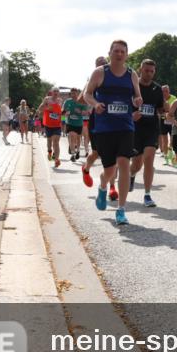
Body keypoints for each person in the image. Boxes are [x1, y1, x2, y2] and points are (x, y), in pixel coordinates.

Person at [82, 40, 143, 225]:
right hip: (104, 127)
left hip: (125, 125)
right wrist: (95, 104)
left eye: (122, 51)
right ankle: (102, 187)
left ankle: (121, 210)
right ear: (110, 53)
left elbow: (137, 95)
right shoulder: (100, 73)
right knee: (109, 170)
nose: (119, 54)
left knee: (124, 163)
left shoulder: (132, 74)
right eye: (116, 51)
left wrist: (138, 101)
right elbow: (87, 94)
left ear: (127, 54)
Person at [129, 59, 165, 208]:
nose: (149, 74)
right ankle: (131, 175)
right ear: (140, 70)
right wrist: (131, 116)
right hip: (135, 130)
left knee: (149, 159)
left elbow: (160, 109)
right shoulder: (132, 87)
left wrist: (165, 110)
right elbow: (124, 105)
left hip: (151, 129)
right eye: (146, 71)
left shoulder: (157, 89)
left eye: (152, 71)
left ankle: (147, 194)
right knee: (137, 164)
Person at [80, 57, 117, 201]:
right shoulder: (93, 78)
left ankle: (112, 187)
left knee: (114, 155)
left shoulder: (116, 77)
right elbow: (82, 99)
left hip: (115, 120)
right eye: (100, 64)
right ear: (95, 66)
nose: (103, 65)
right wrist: (90, 92)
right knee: (96, 153)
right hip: (97, 121)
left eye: (105, 63)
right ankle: (86, 168)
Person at [40, 89, 64, 167]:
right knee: (49, 142)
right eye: (54, 91)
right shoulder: (47, 99)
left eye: (57, 92)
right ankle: (50, 152)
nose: (56, 93)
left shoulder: (60, 101)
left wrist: (63, 121)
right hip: (48, 124)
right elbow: (41, 108)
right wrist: (47, 106)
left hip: (57, 125)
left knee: (56, 142)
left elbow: (62, 112)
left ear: (59, 93)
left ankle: (56, 159)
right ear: (52, 93)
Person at [62, 88, 87, 162]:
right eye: (72, 93)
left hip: (79, 123)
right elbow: (62, 111)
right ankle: (72, 154)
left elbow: (85, 112)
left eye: (75, 93)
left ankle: (78, 150)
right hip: (70, 122)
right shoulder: (67, 101)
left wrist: (80, 111)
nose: (74, 95)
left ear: (78, 93)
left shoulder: (82, 101)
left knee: (78, 138)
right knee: (71, 136)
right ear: (71, 94)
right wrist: (65, 114)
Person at [159, 84, 174, 165]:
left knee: (172, 140)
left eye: (166, 91)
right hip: (163, 121)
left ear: (169, 91)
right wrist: (163, 114)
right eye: (163, 91)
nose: (165, 93)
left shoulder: (174, 98)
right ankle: (166, 158)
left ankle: (170, 153)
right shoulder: (159, 100)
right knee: (164, 140)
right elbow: (158, 112)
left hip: (172, 121)